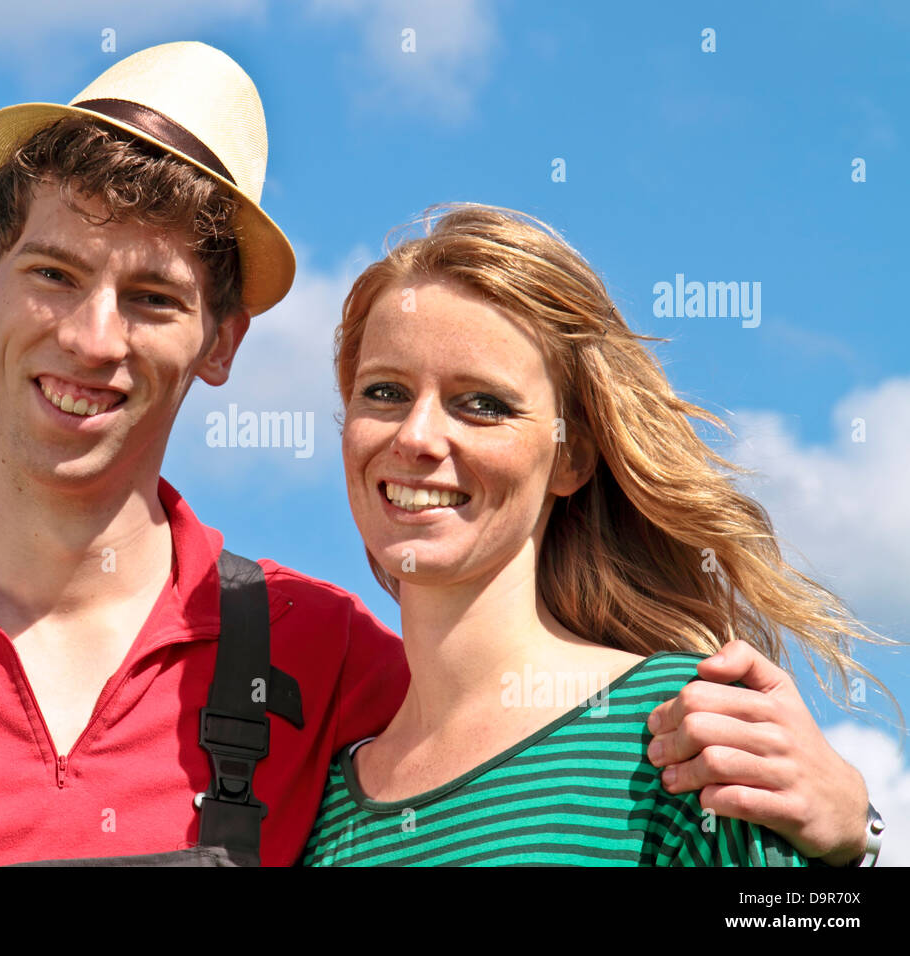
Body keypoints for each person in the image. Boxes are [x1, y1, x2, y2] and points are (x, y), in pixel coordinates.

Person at [0, 44, 877, 867]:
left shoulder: (332, 667)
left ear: (221, 342)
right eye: (52, 274)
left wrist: (848, 839)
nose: (93, 339)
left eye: (155, 299)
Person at [303, 204, 894, 865]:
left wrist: (857, 842)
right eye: (384, 392)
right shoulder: (313, 803)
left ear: (571, 457)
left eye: (483, 404)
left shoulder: (681, 734)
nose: (415, 436)